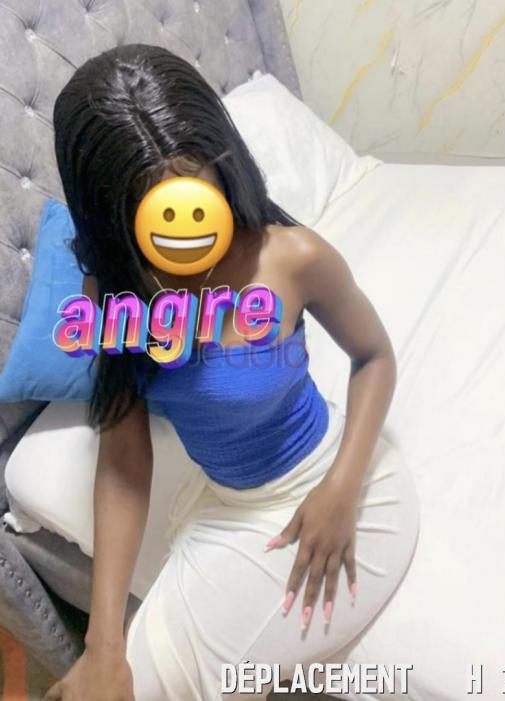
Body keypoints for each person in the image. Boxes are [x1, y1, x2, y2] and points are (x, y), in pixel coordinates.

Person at [45, 43, 419, 701]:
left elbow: (376, 357)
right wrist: (102, 643)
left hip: (336, 489)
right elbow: (124, 454)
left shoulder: (290, 258)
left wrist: (341, 488)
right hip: (227, 506)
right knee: (115, 676)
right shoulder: (112, 292)